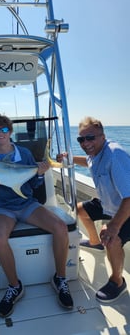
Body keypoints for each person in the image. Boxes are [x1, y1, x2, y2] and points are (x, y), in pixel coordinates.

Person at [0, 113, 73, 318]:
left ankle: (60, 278)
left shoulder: (24, 153)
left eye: (4, 130)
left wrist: (39, 174)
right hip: (2, 206)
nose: (1, 133)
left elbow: (32, 185)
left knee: (60, 227)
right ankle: (14, 286)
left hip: (26, 203)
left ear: (10, 132)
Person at [62, 116, 130, 302]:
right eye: (81, 139)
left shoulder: (115, 155)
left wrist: (114, 226)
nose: (86, 143)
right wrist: (69, 159)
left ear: (102, 136)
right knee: (80, 210)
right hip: (109, 204)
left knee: (112, 239)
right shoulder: (95, 154)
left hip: (126, 208)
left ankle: (117, 282)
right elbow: (88, 161)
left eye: (90, 137)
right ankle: (94, 242)